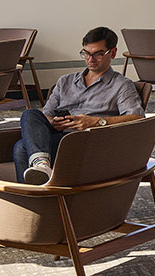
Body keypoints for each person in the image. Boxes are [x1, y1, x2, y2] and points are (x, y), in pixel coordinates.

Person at [16, 27, 146, 185]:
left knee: (21, 147)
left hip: (89, 143)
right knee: (30, 114)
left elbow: (137, 118)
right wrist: (52, 122)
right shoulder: (65, 81)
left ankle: (36, 192)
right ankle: (42, 166)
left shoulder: (121, 85)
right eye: (86, 53)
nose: (91, 59)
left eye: (98, 54)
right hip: (60, 135)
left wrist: (96, 122)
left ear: (112, 53)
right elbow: (46, 115)